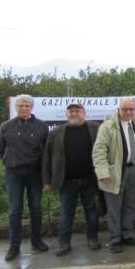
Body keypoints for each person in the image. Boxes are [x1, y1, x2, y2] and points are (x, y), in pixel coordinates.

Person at [43, 103, 101, 256]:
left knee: (91, 211)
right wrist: (47, 181)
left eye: (78, 111)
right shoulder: (56, 132)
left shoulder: (95, 128)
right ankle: (64, 243)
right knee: (66, 213)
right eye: (71, 111)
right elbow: (47, 158)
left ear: (84, 113)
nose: (74, 113)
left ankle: (92, 239)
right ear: (66, 114)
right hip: (66, 181)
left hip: (89, 180)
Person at [0, 94, 50, 261]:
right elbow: (0, 149)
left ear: (32, 107)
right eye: (20, 105)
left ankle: (36, 241)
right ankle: (14, 247)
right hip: (13, 173)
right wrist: (8, 161)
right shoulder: (6, 126)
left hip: (34, 173)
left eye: (27, 106)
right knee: (14, 210)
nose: (23, 108)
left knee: (36, 208)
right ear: (16, 107)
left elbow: (46, 151)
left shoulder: (42, 126)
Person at [92, 98, 135, 253]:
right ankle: (114, 239)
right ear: (118, 109)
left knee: (129, 205)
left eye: (131, 109)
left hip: (132, 170)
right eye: (125, 109)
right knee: (114, 208)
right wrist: (103, 173)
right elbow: (99, 151)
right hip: (115, 172)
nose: (128, 112)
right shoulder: (108, 127)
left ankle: (127, 235)